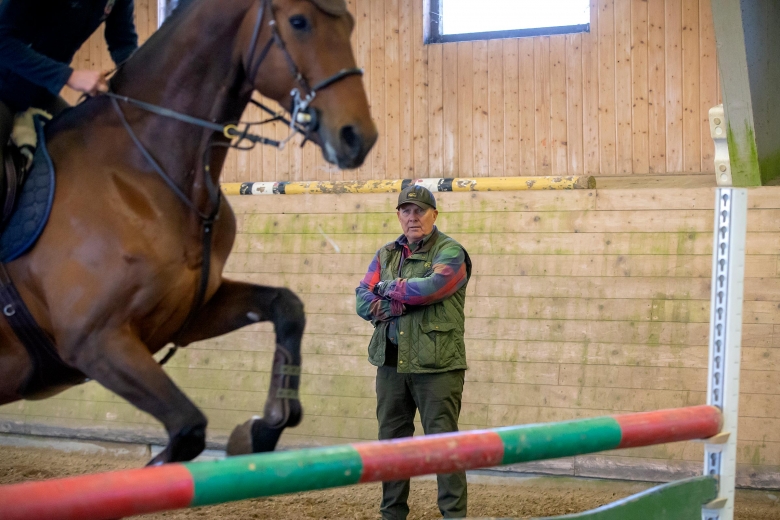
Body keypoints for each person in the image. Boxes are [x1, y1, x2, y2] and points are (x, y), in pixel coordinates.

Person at [355, 185, 472, 519]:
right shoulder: (385, 254)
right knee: (391, 447)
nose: (412, 217)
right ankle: (392, 515)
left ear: (434, 214)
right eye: (406, 211)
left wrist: (386, 290)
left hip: (437, 366)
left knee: (444, 447)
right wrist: (394, 306)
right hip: (390, 364)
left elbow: (431, 289)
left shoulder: (451, 252)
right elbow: (361, 300)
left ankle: (453, 516)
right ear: (398, 215)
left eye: (419, 210)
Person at [0, 0, 138, 168]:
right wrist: (68, 76)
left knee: (85, 148)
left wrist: (141, 77)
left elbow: (122, 42)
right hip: (3, 89)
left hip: (40, 93)